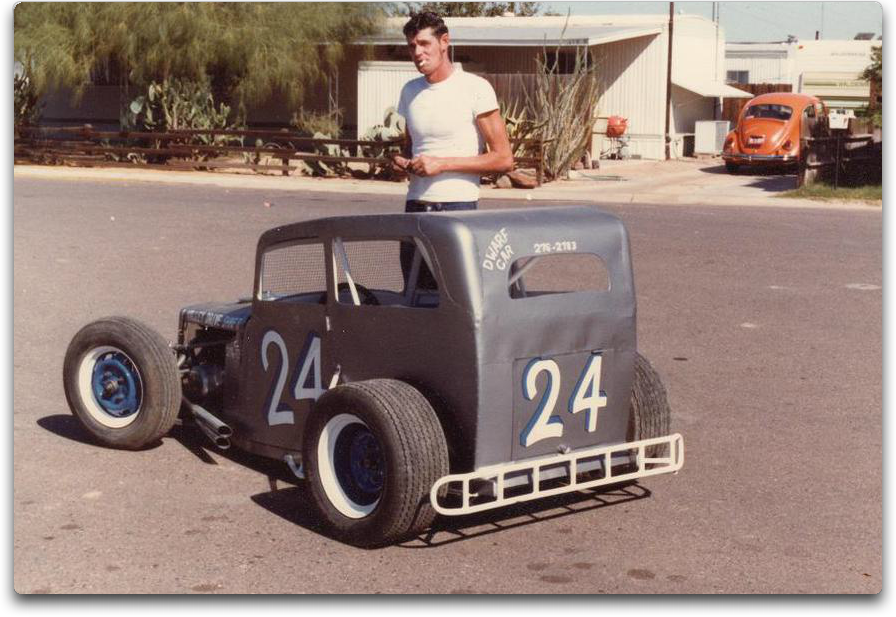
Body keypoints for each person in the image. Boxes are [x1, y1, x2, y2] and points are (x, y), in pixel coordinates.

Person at [393, 11, 513, 214]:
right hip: (415, 205)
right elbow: (411, 148)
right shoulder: (409, 91)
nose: (417, 52)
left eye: (424, 43)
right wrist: (402, 162)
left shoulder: (476, 88)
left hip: (457, 205)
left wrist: (442, 164)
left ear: (444, 42)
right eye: (412, 46)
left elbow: (504, 159)